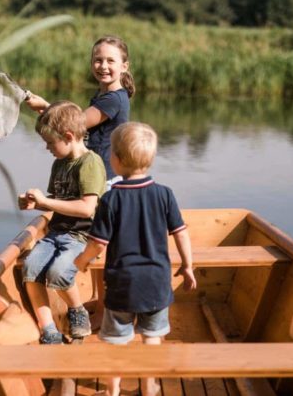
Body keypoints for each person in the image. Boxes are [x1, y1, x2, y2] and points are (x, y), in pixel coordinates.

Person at [74, 122, 197, 396]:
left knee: (116, 341)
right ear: (151, 160)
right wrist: (188, 266)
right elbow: (181, 233)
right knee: (152, 337)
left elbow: (98, 244)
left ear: (114, 160)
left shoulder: (111, 200)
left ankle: (112, 391)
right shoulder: (165, 194)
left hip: (121, 285)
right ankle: (148, 386)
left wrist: (81, 261)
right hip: (156, 283)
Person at [19, 101, 107, 344]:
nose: (47, 148)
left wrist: (46, 203)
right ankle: (48, 328)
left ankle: (77, 311)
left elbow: (87, 209)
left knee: (59, 273)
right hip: (55, 232)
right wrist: (35, 203)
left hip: (82, 236)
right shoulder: (59, 163)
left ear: (68, 136)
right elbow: (58, 202)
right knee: (30, 269)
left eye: (50, 142)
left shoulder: (90, 163)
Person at [25, 36, 134, 185]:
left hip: (104, 175)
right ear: (91, 64)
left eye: (110, 61)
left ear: (124, 66)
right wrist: (46, 108)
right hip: (94, 170)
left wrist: (45, 106)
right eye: (98, 60)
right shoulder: (102, 94)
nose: (103, 66)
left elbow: (75, 123)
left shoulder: (113, 99)